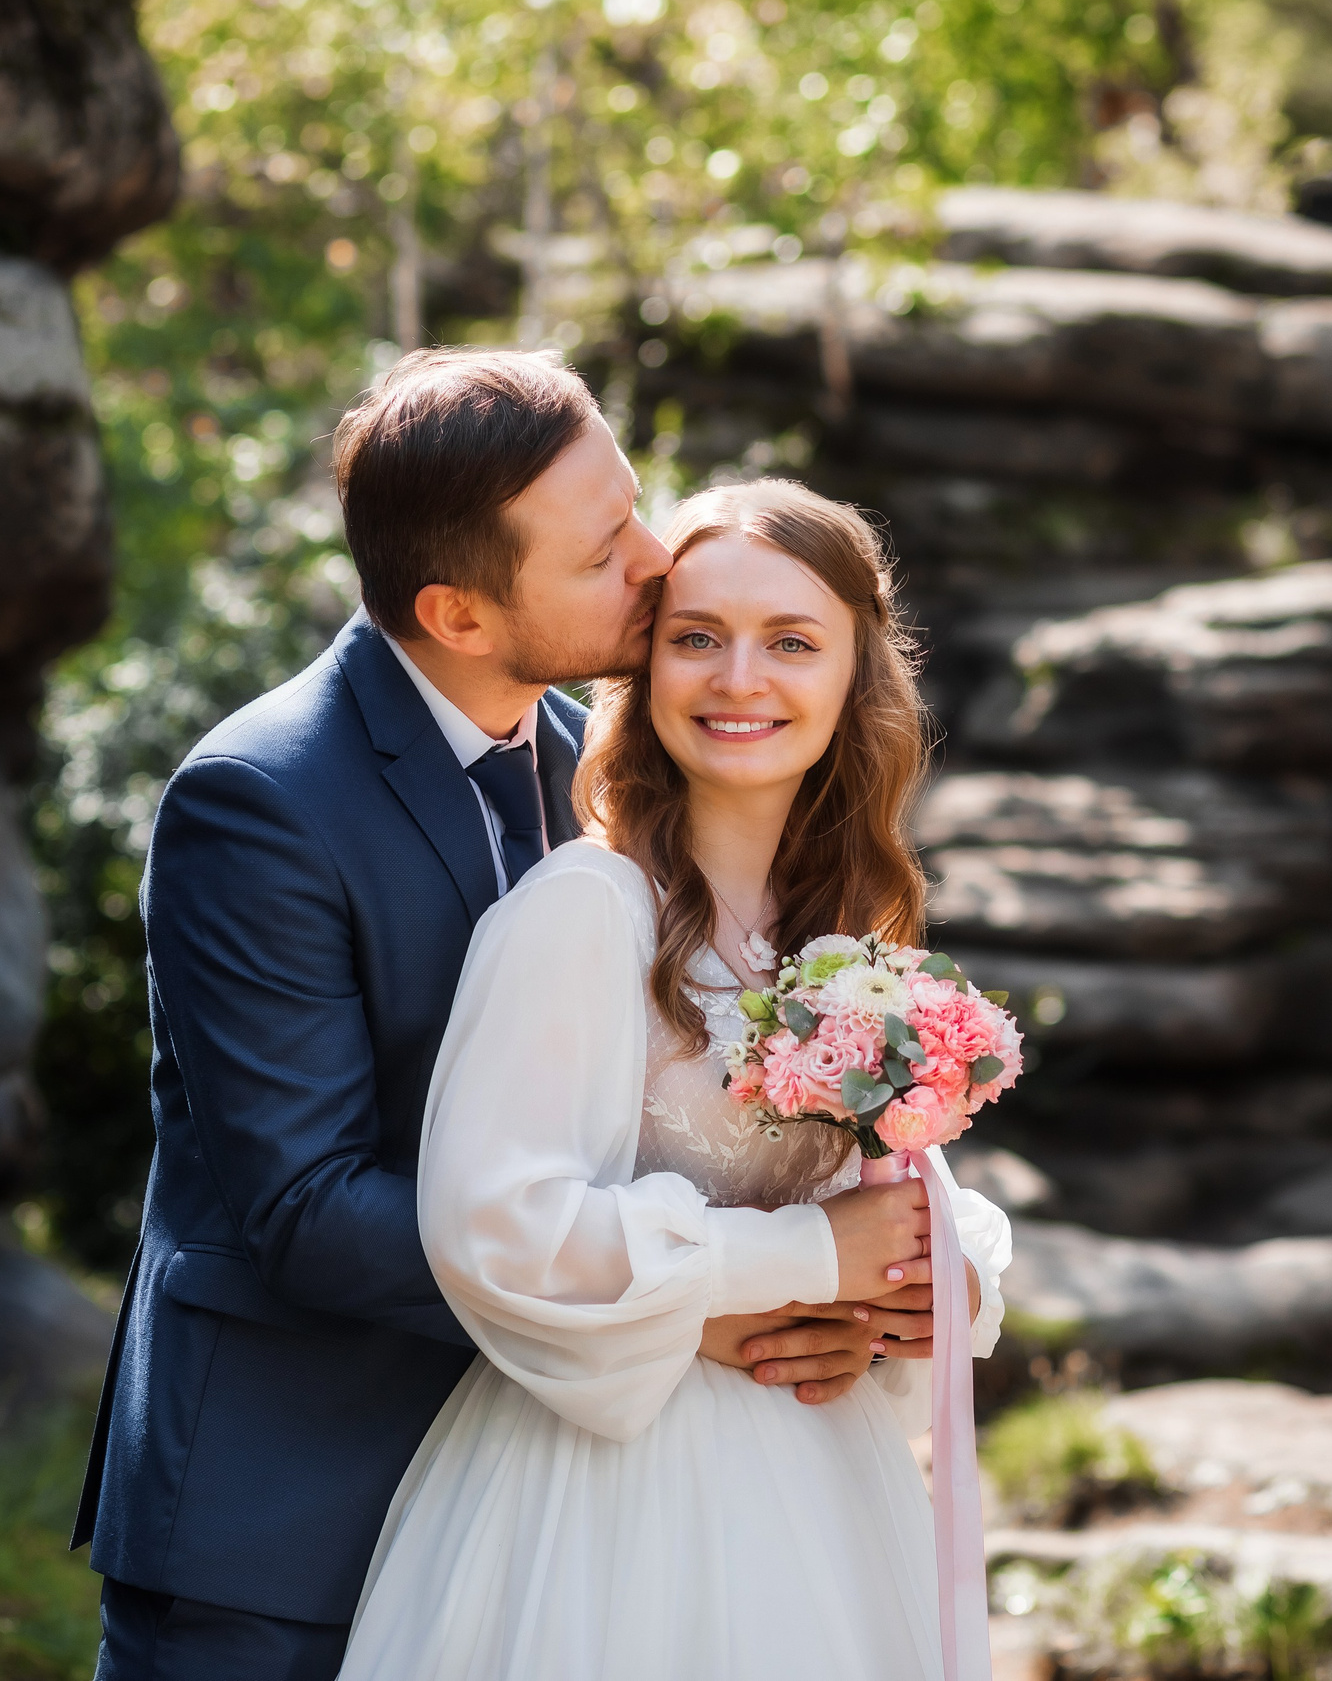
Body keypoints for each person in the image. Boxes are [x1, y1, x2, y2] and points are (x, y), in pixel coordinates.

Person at [73, 351, 896, 1680]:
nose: (653, 558)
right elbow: (308, 1202)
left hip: (551, 1491)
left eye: (631, 506)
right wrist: (700, 1304)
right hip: (289, 1493)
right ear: (458, 611)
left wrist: (837, 1279)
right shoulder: (261, 801)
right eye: (599, 552)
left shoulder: (607, 766)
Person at [335, 479, 1013, 1681]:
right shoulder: (584, 911)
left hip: (824, 1491)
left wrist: (920, 1288)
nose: (738, 678)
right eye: (696, 637)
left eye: (791, 642)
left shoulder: (844, 941)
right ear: (642, 672)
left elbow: (901, 1206)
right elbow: (494, 1225)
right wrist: (807, 1264)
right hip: (609, 1503)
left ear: (858, 677)